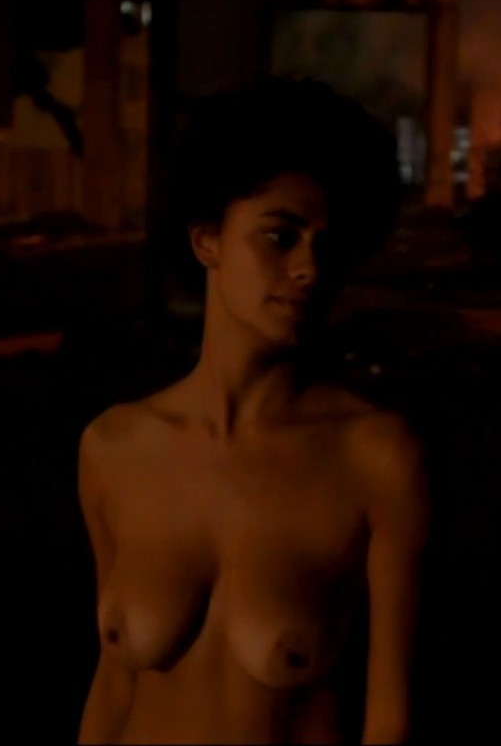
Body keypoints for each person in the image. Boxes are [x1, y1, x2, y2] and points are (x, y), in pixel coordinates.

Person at [76, 77, 428, 745]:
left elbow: (390, 720)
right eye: (279, 236)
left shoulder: (373, 458)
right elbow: (115, 682)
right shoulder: (114, 448)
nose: (308, 269)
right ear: (207, 239)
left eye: (328, 244)